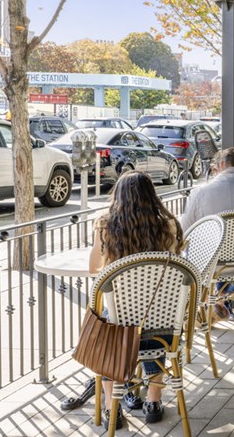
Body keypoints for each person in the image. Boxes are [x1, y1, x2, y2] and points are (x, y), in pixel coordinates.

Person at [88, 171, 185, 430]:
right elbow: (176, 265)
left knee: (104, 334)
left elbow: (94, 269)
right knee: (154, 325)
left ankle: (112, 408)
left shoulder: (106, 224)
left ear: (118, 196)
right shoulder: (169, 225)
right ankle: (153, 402)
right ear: (152, 195)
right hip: (164, 323)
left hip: (121, 329)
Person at [180, 147, 234, 230]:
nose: (213, 173)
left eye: (215, 169)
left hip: (209, 242)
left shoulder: (199, 193)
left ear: (222, 164)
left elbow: (184, 228)